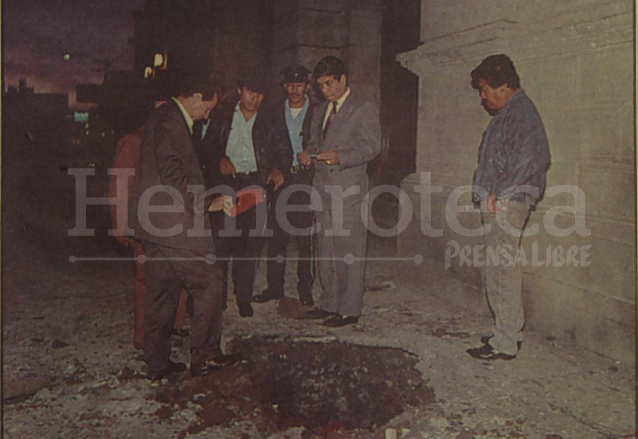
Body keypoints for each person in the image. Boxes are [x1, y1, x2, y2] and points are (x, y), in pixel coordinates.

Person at [128, 71, 235, 380]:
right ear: (196, 97)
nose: (208, 114)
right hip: (172, 223)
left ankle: (158, 364)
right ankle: (206, 357)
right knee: (211, 283)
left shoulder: (164, 115)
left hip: (155, 223)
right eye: (208, 107)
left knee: (162, 292)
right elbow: (172, 173)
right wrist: (206, 204)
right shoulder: (172, 121)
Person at [466, 54, 551, 361]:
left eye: (485, 89)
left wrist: (499, 192)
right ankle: (507, 329)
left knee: (501, 270)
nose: (483, 96)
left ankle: (504, 342)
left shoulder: (521, 113)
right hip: (501, 199)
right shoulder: (510, 113)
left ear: (504, 86)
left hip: (508, 201)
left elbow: (533, 157)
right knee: (499, 268)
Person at [298, 56, 381, 328]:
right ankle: (329, 303)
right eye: (321, 86)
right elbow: (313, 142)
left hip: (348, 189)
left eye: (330, 83)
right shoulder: (320, 110)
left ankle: (349, 309)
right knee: (326, 249)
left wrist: (341, 156)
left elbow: (371, 147)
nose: (326, 90)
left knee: (349, 250)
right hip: (322, 189)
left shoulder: (364, 107)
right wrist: (308, 155)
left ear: (343, 79)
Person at [204, 69, 291, 318]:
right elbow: (206, 147)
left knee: (250, 245)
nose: (254, 98)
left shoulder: (272, 119)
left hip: (256, 185)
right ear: (240, 90)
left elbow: (284, 151)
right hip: (226, 185)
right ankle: (217, 299)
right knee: (222, 243)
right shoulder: (222, 116)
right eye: (250, 92)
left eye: (259, 94)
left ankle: (244, 298)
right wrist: (219, 159)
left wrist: (278, 169)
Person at [109, 115, 189, 351]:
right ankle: (144, 337)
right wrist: (120, 223)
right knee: (147, 280)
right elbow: (119, 185)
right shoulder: (133, 140)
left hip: (174, 223)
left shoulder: (175, 140)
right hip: (143, 224)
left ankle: (173, 326)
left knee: (180, 276)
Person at [252, 64, 316, 307]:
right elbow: (265, 146)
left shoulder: (318, 113)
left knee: (304, 237)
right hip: (280, 179)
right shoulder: (273, 113)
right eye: (290, 85)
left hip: (306, 180)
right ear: (284, 86)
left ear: (307, 87)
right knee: (277, 235)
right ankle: (274, 287)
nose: (294, 90)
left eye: (299, 85)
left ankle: (304, 288)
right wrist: (271, 169)